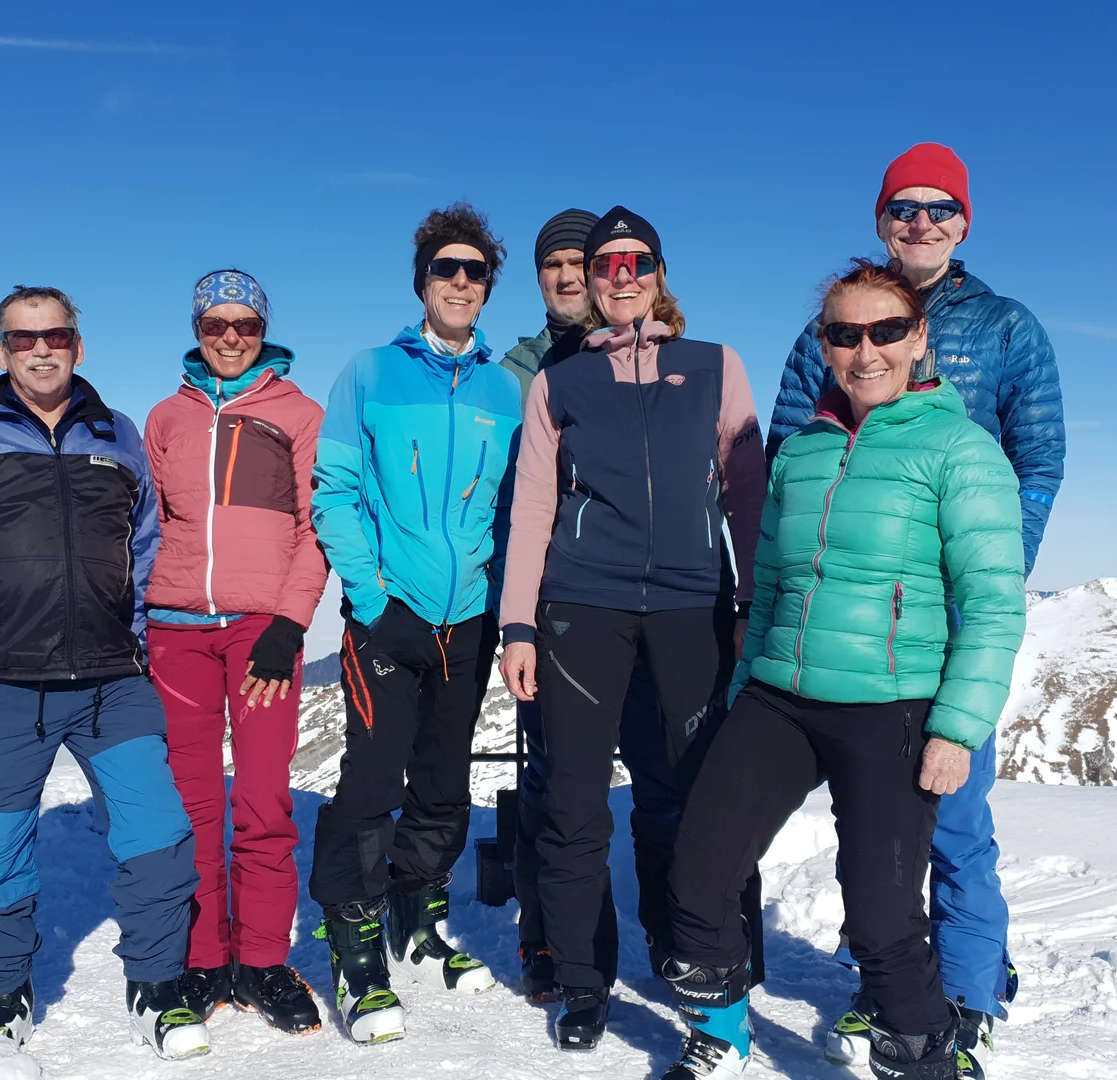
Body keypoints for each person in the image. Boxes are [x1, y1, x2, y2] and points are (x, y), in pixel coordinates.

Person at [658, 258, 1026, 1080]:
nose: (867, 351)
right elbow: (775, 581)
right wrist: (745, 681)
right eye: (845, 334)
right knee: (701, 867)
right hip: (780, 697)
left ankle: (923, 1059)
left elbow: (996, 606)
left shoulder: (961, 452)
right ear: (825, 345)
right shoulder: (804, 452)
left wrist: (957, 729)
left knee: (883, 917)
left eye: (887, 331)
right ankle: (722, 1030)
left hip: (891, 708)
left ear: (919, 336)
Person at [765, 142, 1064, 1072]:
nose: (922, 222)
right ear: (882, 220)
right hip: (852, 622)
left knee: (956, 811)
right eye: (904, 208)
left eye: (939, 208)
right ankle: (886, 982)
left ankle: (968, 991)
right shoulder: (834, 324)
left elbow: (1038, 459)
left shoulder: (1008, 328)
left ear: (965, 221)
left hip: (947, 617)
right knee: (876, 821)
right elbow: (787, 452)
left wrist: (989, 582)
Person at [0, 285, 207, 1061]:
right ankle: (3, 996)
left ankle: (157, 985)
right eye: (23, 337)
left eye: (56, 335)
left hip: (108, 684)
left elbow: (142, 549)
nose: (41, 348)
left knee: (159, 836)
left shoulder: (116, 434)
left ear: (77, 345)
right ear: (1, 350)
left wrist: (127, 643)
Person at [499, 206, 765, 1051]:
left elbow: (747, 494)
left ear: (657, 272)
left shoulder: (716, 366)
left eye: (634, 261)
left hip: (694, 607)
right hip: (583, 609)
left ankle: (700, 953)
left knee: (690, 799)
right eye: (605, 264)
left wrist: (755, 603)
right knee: (575, 805)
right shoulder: (559, 381)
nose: (618, 276)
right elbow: (536, 505)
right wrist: (518, 624)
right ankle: (582, 981)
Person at [308, 201, 522, 1044]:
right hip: (387, 618)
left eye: (475, 271)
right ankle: (353, 940)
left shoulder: (505, 388)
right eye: (447, 268)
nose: (461, 282)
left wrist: (503, 603)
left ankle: (419, 911)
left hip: (467, 619)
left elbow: (512, 511)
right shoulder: (369, 372)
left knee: (442, 781)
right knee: (369, 783)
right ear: (422, 281)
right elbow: (335, 490)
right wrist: (369, 595)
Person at [143, 270, 327, 1035]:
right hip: (174, 629)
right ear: (196, 328)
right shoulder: (165, 418)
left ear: (263, 331)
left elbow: (317, 527)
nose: (229, 337)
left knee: (260, 798)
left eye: (243, 325)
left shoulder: (298, 413)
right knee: (191, 803)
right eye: (215, 324)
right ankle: (204, 957)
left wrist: (290, 623)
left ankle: (260, 959)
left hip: (261, 632)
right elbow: (143, 526)